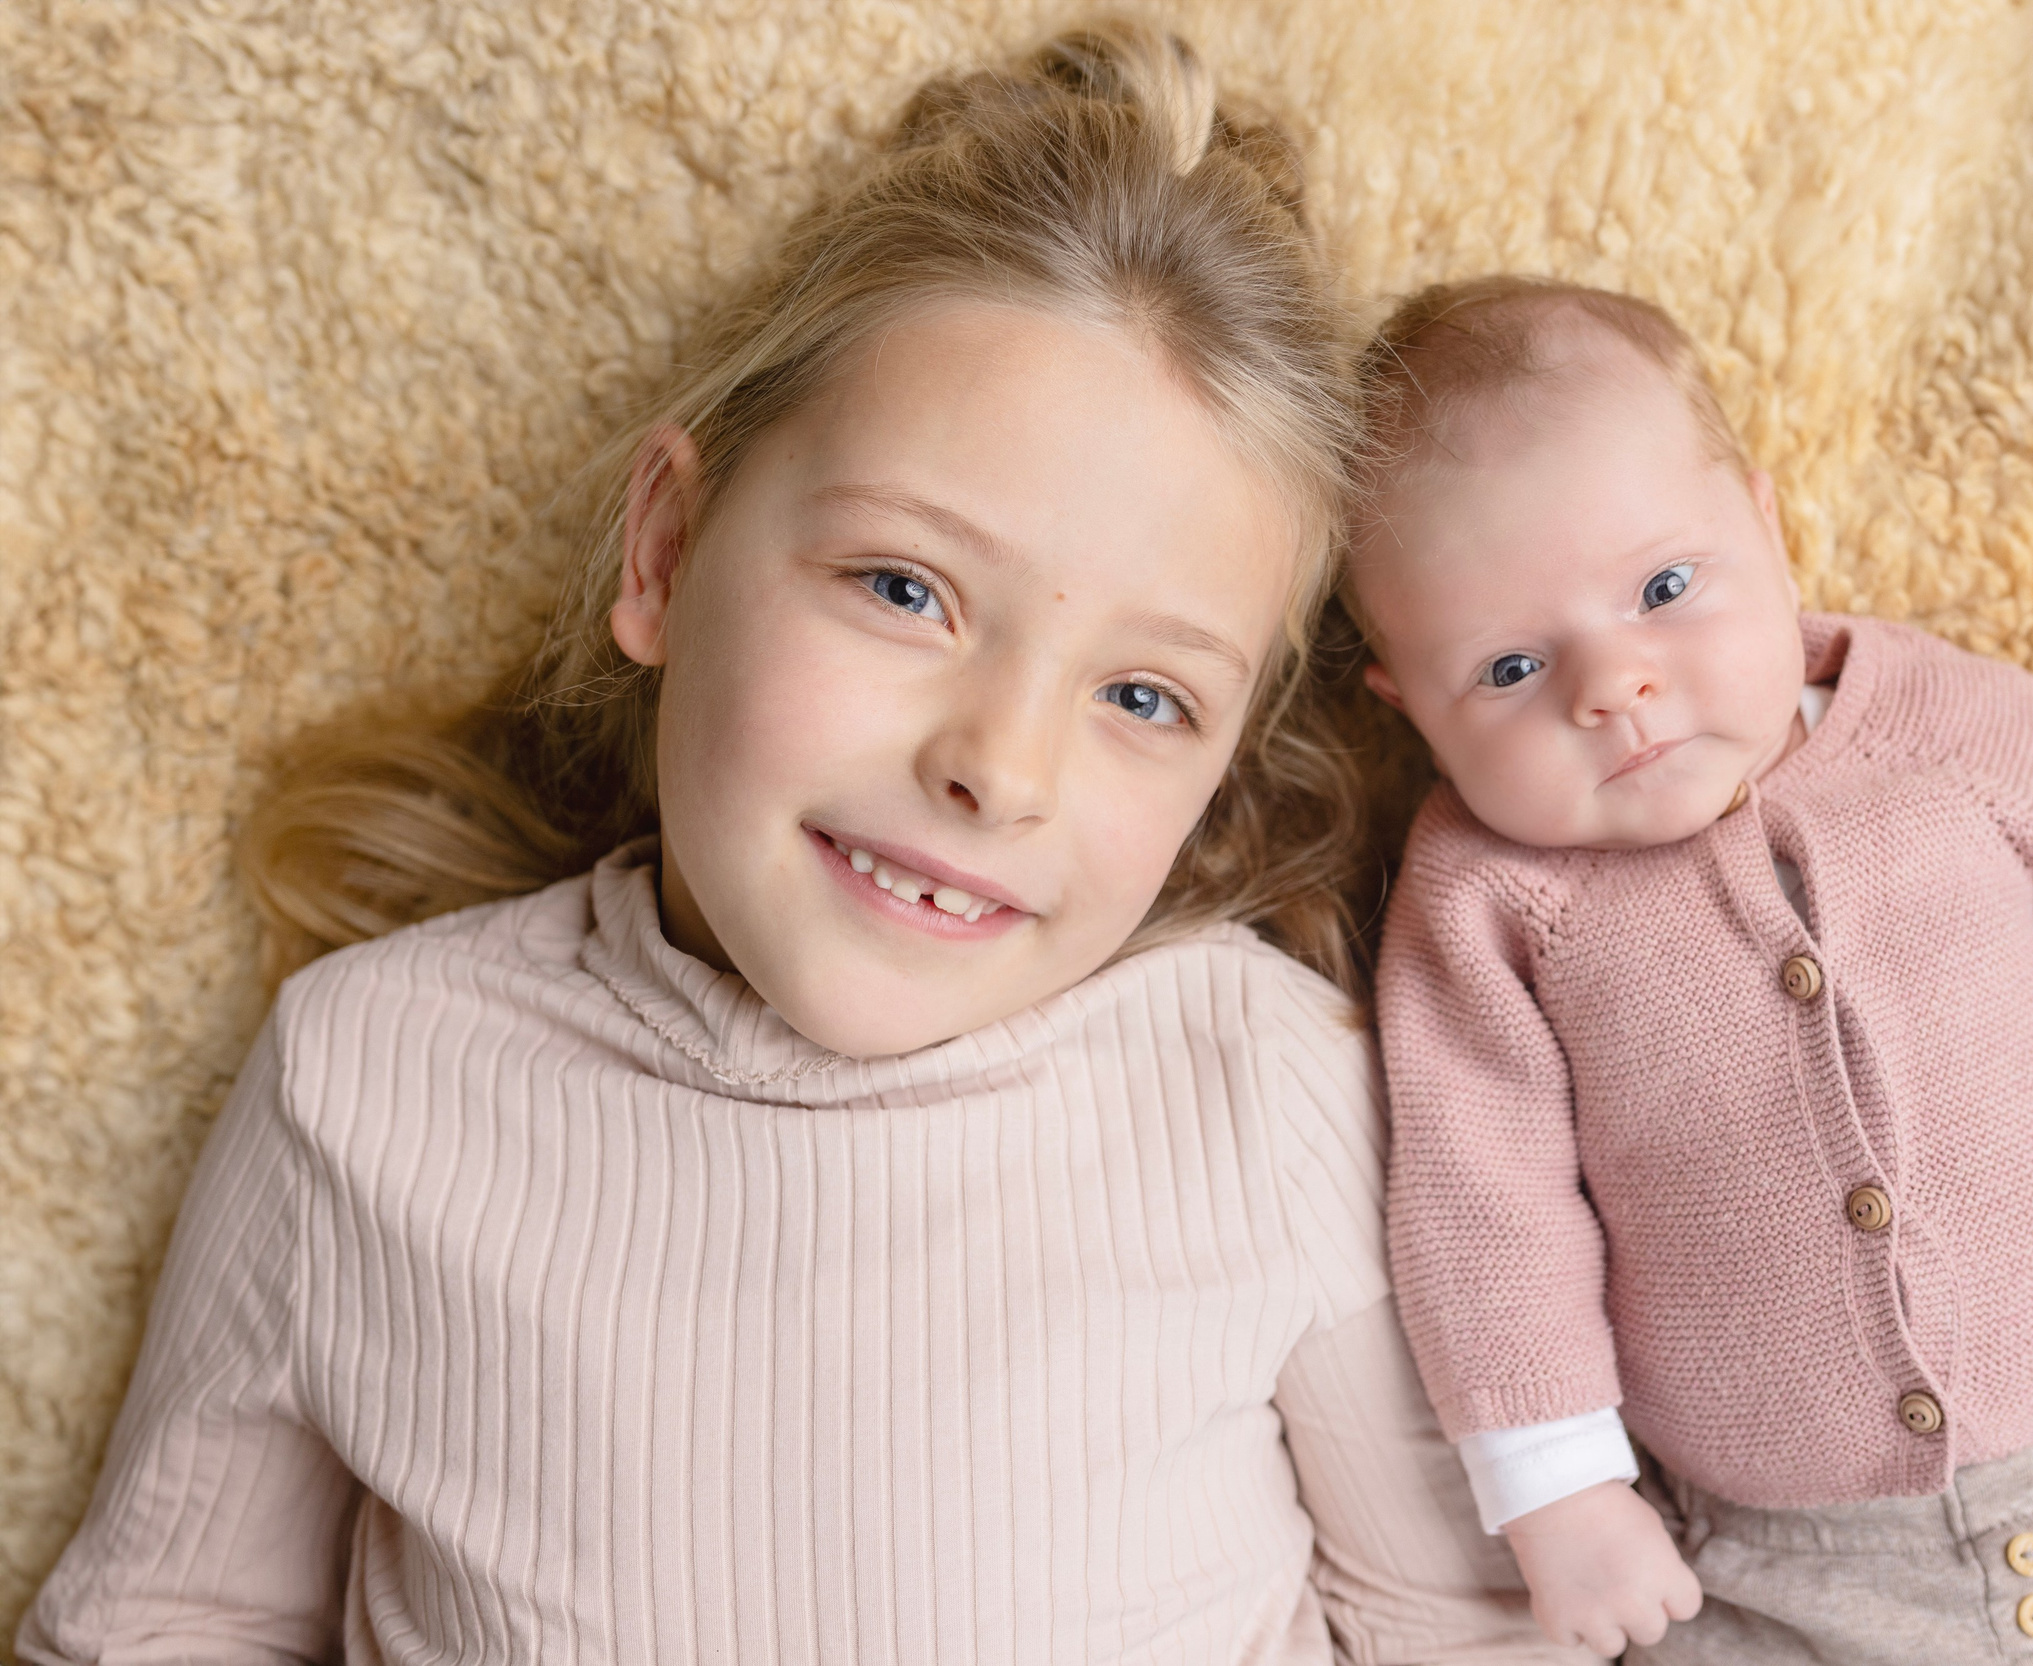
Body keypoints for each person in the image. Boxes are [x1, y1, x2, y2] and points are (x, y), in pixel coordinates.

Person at [17, 32, 1570, 1666]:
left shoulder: (1262, 1098)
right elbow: (166, 1623)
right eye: (905, 589)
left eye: (1141, 693)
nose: (996, 765)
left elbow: (1473, 1631)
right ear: (668, 551)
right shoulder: (367, 1082)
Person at [1348, 276, 2033, 1662]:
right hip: (1772, 1573)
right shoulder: (1486, 901)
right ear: (1410, 707)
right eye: (1510, 667)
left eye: (1665, 589)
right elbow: (1480, 1210)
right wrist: (1560, 1493)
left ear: (1769, 524)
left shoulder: (1934, 730)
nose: (1613, 686)